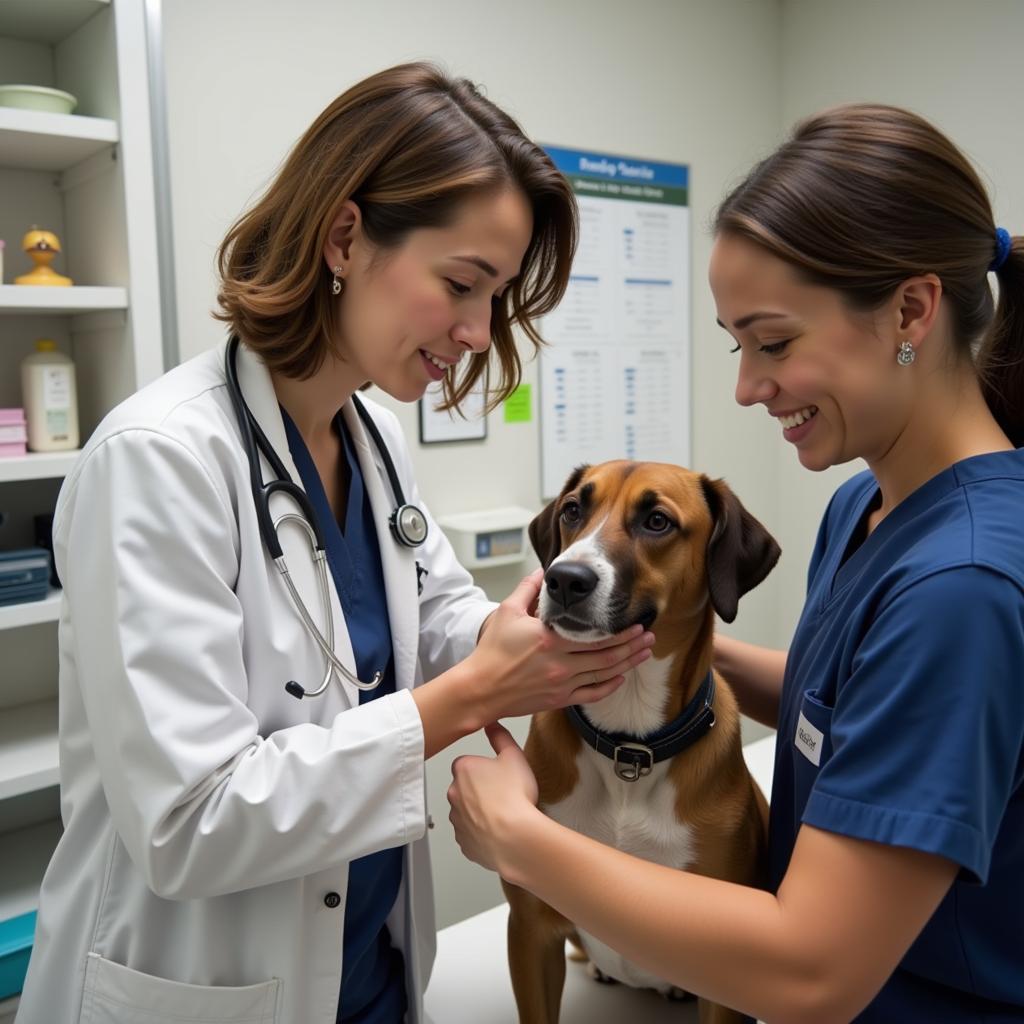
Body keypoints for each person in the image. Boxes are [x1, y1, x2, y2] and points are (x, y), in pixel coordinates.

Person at [14, 63, 658, 1024]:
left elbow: (439, 614)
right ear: (346, 237)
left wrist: (539, 630)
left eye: (497, 297)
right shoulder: (159, 460)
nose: (480, 333)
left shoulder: (372, 439)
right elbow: (190, 823)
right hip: (197, 990)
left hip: (369, 977)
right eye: (462, 284)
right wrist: (470, 698)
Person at [448, 103, 1024, 1023]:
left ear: (912, 309)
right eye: (737, 344)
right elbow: (857, 704)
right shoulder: (866, 509)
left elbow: (814, 975)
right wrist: (658, 652)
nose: (748, 387)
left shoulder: (963, 586)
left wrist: (518, 835)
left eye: (775, 342)